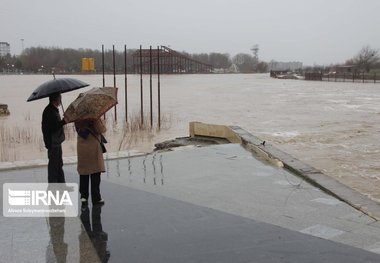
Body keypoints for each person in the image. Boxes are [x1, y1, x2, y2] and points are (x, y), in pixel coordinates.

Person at [75, 119, 107, 205]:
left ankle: (84, 197)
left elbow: (81, 133)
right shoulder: (94, 118)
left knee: (84, 173)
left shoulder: (77, 119)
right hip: (94, 149)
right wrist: (102, 122)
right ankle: (96, 198)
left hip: (82, 148)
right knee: (95, 173)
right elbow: (101, 129)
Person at [42, 93, 67, 183]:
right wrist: (64, 121)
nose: (61, 100)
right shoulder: (50, 111)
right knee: (54, 166)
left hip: (56, 141)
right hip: (53, 143)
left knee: (59, 164)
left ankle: (62, 185)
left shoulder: (52, 110)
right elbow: (54, 127)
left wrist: (63, 121)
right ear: (56, 99)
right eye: (60, 98)